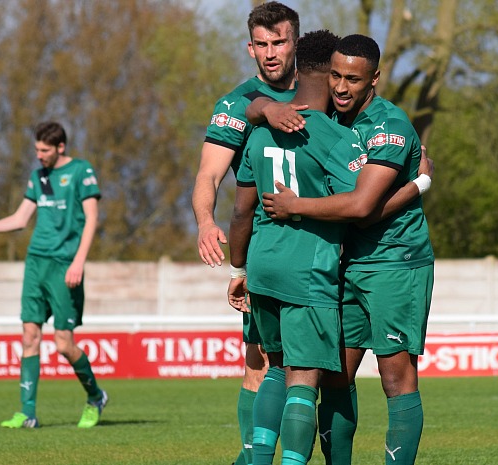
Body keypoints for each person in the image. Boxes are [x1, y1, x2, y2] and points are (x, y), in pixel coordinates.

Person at [252, 35, 434, 465]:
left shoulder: (388, 126)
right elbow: (250, 105)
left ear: (374, 78)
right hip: (345, 265)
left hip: (394, 262)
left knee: (395, 376)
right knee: (333, 376)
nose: (341, 87)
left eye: (353, 78)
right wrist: (266, 107)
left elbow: (362, 209)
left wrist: (295, 206)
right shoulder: (332, 119)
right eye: (335, 75)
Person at [228, 29, 371, 465]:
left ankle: (257, 460)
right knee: (303, 380)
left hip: (262, 265)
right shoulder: (333, 137)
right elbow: (360, 204)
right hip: (306, 271)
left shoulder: (261, 131)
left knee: (274, 368)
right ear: (330, 74)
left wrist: (238, 272)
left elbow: (239, 212)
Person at [190, 2, 304, 463]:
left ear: (295, 41)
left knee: (319, 368)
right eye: (262, 44)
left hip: (325, 245)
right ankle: (248, 456)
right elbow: (208, 176)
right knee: (258, 362)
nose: (271, 52)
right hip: (267, 251)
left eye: (279, 42)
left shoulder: (323, 92)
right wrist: (205, 220)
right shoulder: (235, 105)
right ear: (250, 47)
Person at [0, 121, 107, 429]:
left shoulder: (81, 171)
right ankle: (27, 413)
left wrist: (79, 261)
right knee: (29, 336)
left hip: (65, 264)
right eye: (36, 150)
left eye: (44, 150)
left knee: (64, 344)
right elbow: (20, 218)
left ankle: (95, 397)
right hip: (36, 262)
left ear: (60, 147)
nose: (39, 155)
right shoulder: (37, 177)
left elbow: (92, 217)